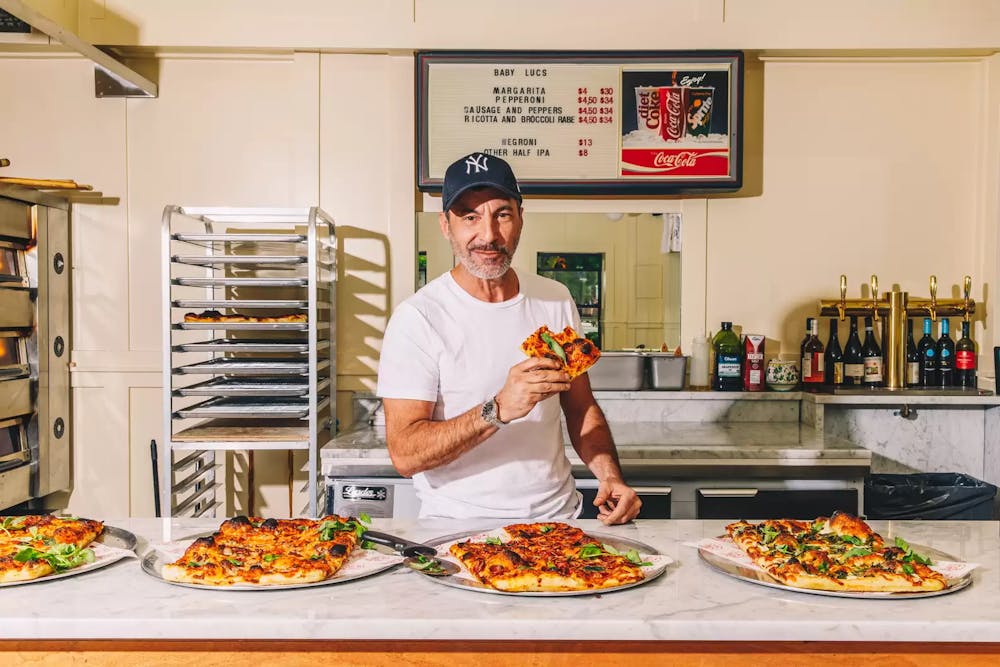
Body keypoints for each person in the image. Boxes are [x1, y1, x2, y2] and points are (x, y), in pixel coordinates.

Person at [376, 152, 641, 524]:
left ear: (520, 218)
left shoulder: (555, 298)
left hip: (558, 522)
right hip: (459, 529)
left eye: (502, 214)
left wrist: (610, 476)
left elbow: (580, 406)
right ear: (446, 225)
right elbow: (405, 455)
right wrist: (498, 409)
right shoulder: (418, 318)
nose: (488, 235)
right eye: (470, 216)